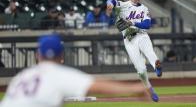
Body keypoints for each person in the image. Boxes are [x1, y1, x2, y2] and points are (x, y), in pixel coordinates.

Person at [0, 34, 150, 107]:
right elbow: (96, 86)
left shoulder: (23, 75)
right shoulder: (57, 74)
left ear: (38, 55)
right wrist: (134, 88)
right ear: (61, 56)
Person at [106, 0, 162, 102]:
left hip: (142, 35)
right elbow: (111, 1)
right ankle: (149, 89)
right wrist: (110, 5)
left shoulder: (144, 9)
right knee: (141, 70)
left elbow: (147, 25)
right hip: (129, 40)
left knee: (150, 52)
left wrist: (132, 23)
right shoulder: (124, 5)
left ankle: (156, 66)